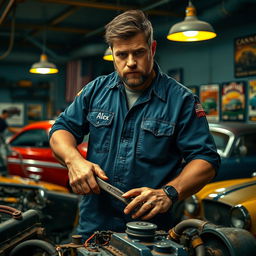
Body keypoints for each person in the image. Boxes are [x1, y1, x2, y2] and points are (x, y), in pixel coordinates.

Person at [49, 10, 220, 239]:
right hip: (95, 225)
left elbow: (206, 159)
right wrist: (74, 161)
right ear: (112, 53)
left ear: (152, 49)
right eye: (122, 55)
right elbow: (61, 130)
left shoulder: (182, 101)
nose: (130, 63)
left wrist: (169, 193)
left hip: (152, 232)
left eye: (138, 53)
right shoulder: (95, 91)